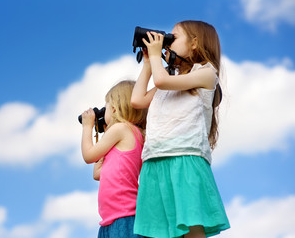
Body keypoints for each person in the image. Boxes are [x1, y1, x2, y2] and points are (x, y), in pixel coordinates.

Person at [131, 20, 230, 238]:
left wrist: (157, 57)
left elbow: (162, 80)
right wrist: (148, 62)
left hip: (185, 157)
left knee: (192, 228)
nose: (167, 41)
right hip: (155, 159)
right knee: (161, 232)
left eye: (173, 37)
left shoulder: (206, 73)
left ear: (195, 42)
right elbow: (137, 100)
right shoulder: (167, 80)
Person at [81, 80, 147, 238]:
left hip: (123, 218)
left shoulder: (121, 129)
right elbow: (97, 173)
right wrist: (103, 137)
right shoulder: (134, 134)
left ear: (114, 108)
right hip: (113, 219)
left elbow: (88, 156)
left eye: (106, 107)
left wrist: (87, 127)